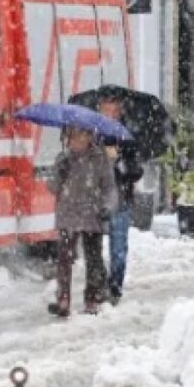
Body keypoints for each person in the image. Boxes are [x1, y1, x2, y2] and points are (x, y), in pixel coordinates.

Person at [47, 126, 117, 317]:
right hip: (67, 214)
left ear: (88, 137)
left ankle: (92, 298)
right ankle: (63, 300)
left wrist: (107, 207)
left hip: (92, 214)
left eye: (77, 136)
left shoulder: (100, 158)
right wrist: (58, 173)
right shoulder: (64, 159)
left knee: (93, 258)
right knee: (64, 259)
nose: (73, 141)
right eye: (70, 137)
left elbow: (110, 188)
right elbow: (52, 187)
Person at [97, 94, 143, 305]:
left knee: (118, 248)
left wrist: (120, 163)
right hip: (96, 199)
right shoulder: (92, 135)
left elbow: (136, 171)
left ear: (119, 112)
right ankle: (97, 285)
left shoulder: (127, 138)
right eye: (105, 111)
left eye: (113, 111)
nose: (109, 115)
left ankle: (115, 287)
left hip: (120, 199)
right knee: (93, 248)